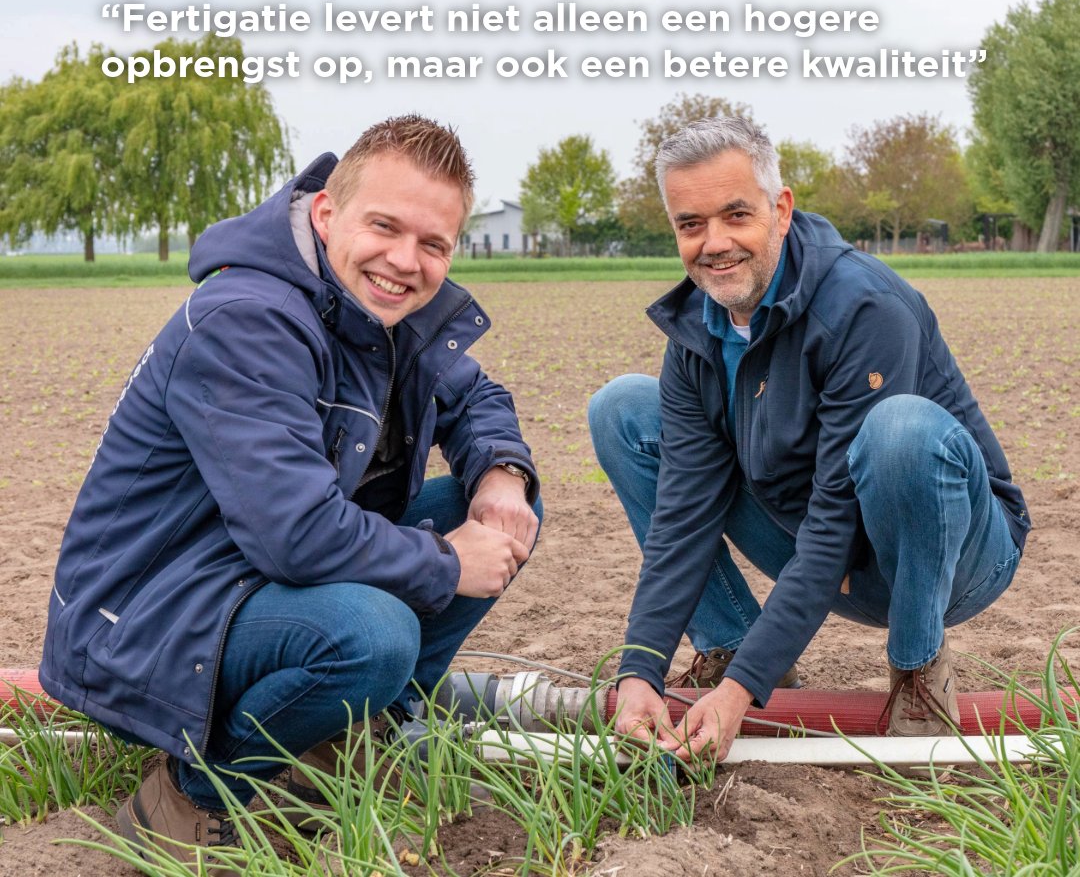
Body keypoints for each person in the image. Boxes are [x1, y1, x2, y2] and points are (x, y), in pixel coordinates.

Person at [40, 115, 540, 867]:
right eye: (386, 226)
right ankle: (195, 794)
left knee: (500, 522)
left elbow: (472, 396)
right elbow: (297, 535)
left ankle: (351, 742)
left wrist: (504, 477)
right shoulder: (247, 319)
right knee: (373, 634)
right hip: (149, 618)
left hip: (249, 580)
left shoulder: (374, 305)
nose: (406, 261)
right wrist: (445, 563)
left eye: (434, 244)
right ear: (327, 212)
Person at [588, 117, 1028, 762]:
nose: (714, 243)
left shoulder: (862, 306)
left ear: (781, 209)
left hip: (951, 552)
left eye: (736, 214)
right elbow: (682, 516)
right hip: (819, 550)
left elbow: (834, 523)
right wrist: (639, 670)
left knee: (901, 431)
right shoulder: (696, 330)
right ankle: (731, 645)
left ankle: (917, 667)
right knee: (623, 409)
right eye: (690, 224)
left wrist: (744, 694)